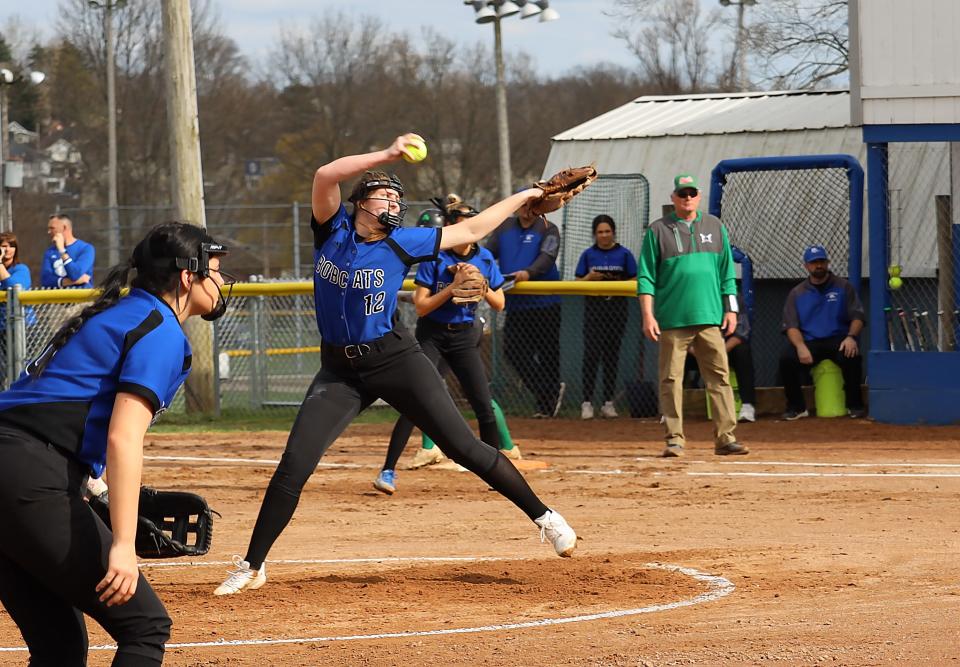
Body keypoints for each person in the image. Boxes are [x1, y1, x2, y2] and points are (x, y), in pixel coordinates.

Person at [214, 134, 578, 597]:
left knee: (464, 447)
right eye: (382, 195)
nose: (390, 203)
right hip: (338, 372)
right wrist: (387, 155)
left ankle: (545, 518)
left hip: (394, 358)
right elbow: (326, 175)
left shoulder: (402, 242)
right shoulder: (332, 230)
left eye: (395, 198)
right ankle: (252, 564)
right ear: (359, 203)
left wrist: (528, 194)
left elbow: (469, 231)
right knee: (294, 465)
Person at [0, 222, 233, 666]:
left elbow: (53, 410)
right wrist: (122, 543)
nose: (221, 282)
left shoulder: (120, 313)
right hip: (28, 476)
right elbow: (122, 438)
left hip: (18, 467)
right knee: (145, 626)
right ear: (188, 276)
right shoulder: (160, 329)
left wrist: (91, 488)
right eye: (216, 271)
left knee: (60, 647)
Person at [373, 193, 518, 495]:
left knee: (483, 404)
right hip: (433, 335)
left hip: (464, 336)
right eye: (464, 224)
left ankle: (495, 473)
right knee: (414, 403)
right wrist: (453, 287)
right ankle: (387, 470)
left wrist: (481, 283)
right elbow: (422, 306)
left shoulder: (484, 258)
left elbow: (500, 303)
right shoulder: (437, 257)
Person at [637, 173, 748, 458]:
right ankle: (674, 439)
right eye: (682, 194)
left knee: (720, 378)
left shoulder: (714, 226)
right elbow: (646, 277)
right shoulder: (658, 230)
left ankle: (725, 438)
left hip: (710, 317)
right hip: (673, 320)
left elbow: (727, 273)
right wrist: (648, 316)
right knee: (671, 380)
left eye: (692, 193)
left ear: (698, 196)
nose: (687, 198)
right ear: (673, 198)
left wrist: (731, 309)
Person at [486, 191, 565, 418]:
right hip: (516, 304)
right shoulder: (503, 228)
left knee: (548, 353)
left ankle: (546, 405)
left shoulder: (548, 228)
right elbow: (488, 254)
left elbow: (547, 256)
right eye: (522, 204)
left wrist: (529, 272)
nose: (526, 209)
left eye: (531, 205)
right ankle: (547, 391)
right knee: (513, 352)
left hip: (545, 303)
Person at [779, 245, 866, 420]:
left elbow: (858, 316)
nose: (818, 266)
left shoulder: (844, 286)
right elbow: (791, 326)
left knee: (852, 356)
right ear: (806, 266)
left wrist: (851, 337)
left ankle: (854, 405)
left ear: (827, 263)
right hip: (810, 341)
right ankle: (797, 407)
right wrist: (800, 346)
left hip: (838, 338)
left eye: (821, 261)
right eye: (813, 263)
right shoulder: (797, 293)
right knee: (787, 359)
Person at [574, 214, 637, 420]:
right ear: (594, 234)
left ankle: (608, 403)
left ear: (614, 232)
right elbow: (577, 281)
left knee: (611, 356)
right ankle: (587, 402)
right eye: (600, 232)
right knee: (591, 356)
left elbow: (634, 278)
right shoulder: (588, 255)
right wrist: (589, 278)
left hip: (616, 310)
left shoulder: (624, 254)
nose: (604, 235)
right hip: (594, 310)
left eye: (607, 231)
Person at [684, 293, 758, 422]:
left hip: (726, 348)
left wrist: (720, 352)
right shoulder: (689, 294)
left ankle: (747, 405)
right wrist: (699, 353)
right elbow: (682, 334)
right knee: (677, 355)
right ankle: (671, 411)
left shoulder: (732, 296)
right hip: (697, 351)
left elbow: (742, 332)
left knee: (743, 351)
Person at [0, 232, 34, 385]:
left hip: (22, 327)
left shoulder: (21, 269)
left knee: (21, 369)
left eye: (11, 246)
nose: (7, 250)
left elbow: (14, 287)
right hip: (2, 329)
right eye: (3, 246)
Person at [42, 214, 96, 288]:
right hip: (57, 298)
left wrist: (62, 251)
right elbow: (45, 280)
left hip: (81, 298)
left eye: (52, 228)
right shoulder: (50, 252)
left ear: (64, 228)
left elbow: (75, 274)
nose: (49, 232)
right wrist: (67, 282)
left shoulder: (86, 249)